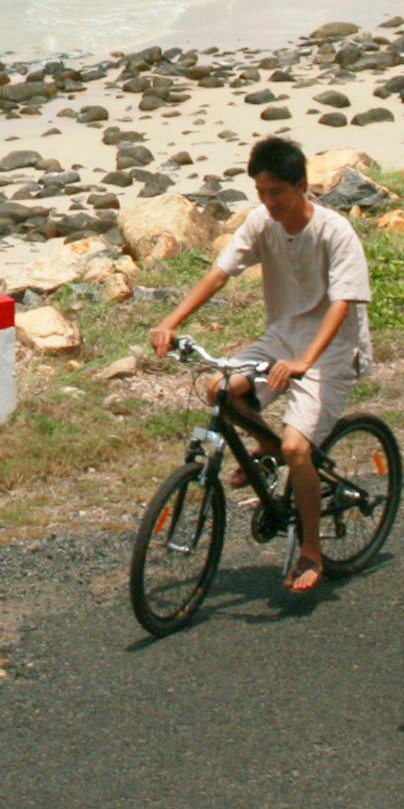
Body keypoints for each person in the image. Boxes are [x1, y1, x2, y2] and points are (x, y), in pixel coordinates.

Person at [150, 135, 372, 595]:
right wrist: (171, 321)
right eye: (261, 194)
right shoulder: (260, 223)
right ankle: (264, 443)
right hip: (281, 338)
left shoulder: (335, 232)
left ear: (301, 186)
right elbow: (219, 273)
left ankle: (311, 550)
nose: (269, 204)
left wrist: (304, 362)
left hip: (331, 350)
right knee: (217, 389)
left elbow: (342, 303)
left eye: (277, 193)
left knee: (296, 450)